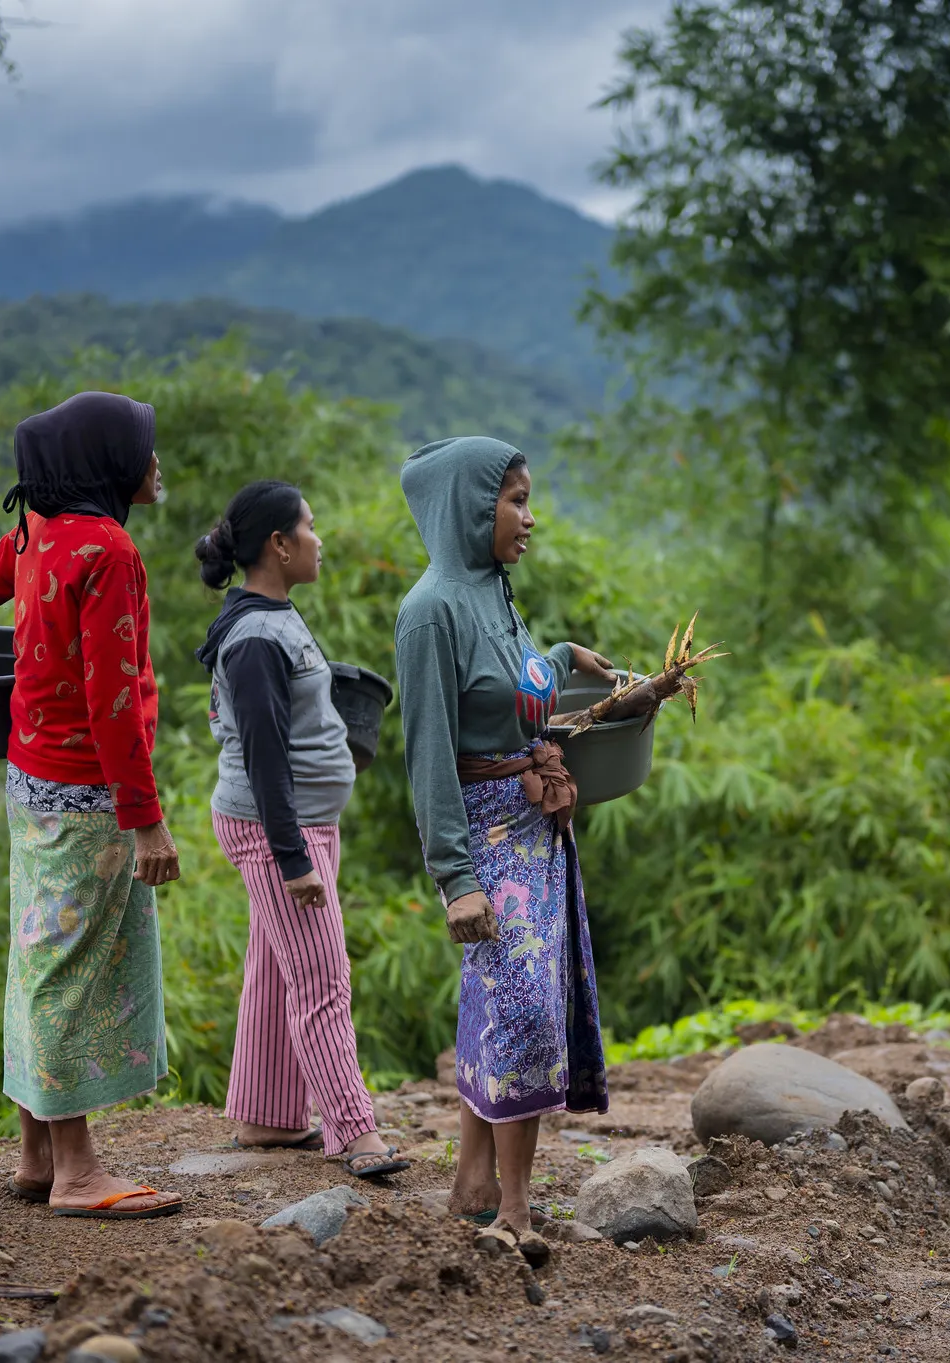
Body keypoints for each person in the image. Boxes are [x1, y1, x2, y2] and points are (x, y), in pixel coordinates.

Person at [0, 390, 183, 1220]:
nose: (157, 464)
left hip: (30, 783)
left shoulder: (41, 531)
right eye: (145, 449)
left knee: (37, 953)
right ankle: (76, 1171)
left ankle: (35, 1153)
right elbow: (111, 701)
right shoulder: (108, 550)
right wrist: (146, 820)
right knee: (68, 969)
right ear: (109, 464)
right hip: (87, 798)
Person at [393, 435, 616, 1266]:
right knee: (520, 1011)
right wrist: (455, 878)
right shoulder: (429, 612)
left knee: (505, 1001)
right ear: (468, 507)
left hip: (537, 831)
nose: (530, 517)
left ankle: (475, 1183)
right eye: (516, 500)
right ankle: (517, 1214)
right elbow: (428, 757)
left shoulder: (496, 592)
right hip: (485, 835)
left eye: (528, 499)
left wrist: (561, 659)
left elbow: (510, 687)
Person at [192, 480, 411, 1179]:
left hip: (298, 822)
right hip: (278, 829)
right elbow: (262, 757)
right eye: (310, 527)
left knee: (273, 966)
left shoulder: (268, 617)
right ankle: (353, 1129)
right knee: (321, 977)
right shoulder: (257, 637)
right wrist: (292, 859)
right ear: (279, 545)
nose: (321, 538)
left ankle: (266, 1114)